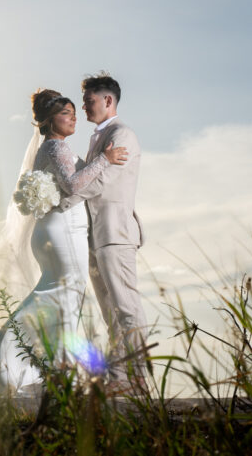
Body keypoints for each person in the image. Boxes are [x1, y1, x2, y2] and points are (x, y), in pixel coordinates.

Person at [0, 89, 127, 398]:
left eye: (74, 113)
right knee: (58, 295)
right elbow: (73, 184)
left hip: (63, 228)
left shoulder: (56, 148)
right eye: (65, 114)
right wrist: (104, 159)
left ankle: (49, 372)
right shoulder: (55, 148)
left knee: (63, 298)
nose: (73, 118)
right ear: (48, 121)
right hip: (61, 230)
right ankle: (7, 372)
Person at [80, 72, 149, 392]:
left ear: (108, 100)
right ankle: (119, 378)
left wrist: (68, 190)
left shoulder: (122, 135)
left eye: (89, 100)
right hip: (96, 234)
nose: (83, 106)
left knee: (126, 306)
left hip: (116, 231)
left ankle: (138, 378)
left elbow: (99, 182)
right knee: (110, 310)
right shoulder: (98, 137)